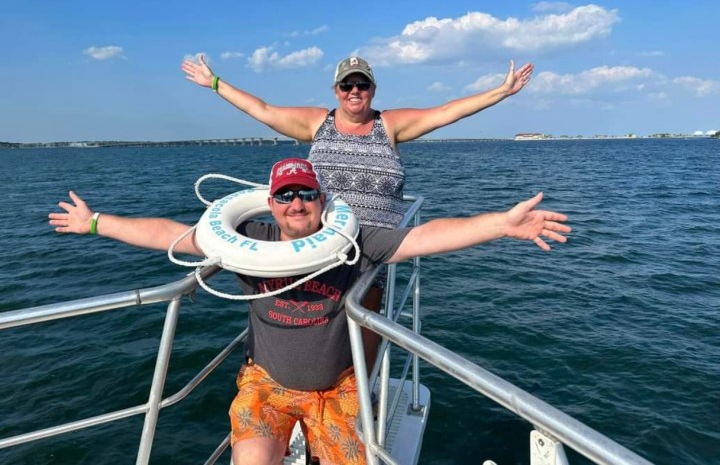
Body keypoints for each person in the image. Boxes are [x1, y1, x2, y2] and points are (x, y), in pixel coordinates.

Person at [49, 158, 570, 465]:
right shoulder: (248, 240)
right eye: (285, 196)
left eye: (305, 194)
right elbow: (168, 234)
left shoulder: (354, 240)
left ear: (322, 199)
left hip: (337, 388)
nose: (296, 204)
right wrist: (97, 223)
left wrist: (502, 224)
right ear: (270, 203)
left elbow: (422, 237)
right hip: (265, 384)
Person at [181, 54, 535, 370]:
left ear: (372, 89)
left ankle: (360, 406)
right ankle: (278, 386)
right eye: (346, 84)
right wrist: (215, 83)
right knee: (300, 328)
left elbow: (445, 112)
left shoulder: (390, 125)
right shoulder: (317, 123)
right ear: (336, 90)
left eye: (361, 84)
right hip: (315, 251)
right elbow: (263, 109)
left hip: (370, 253)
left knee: (362, 338)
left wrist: (500, 92)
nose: (354, 90)